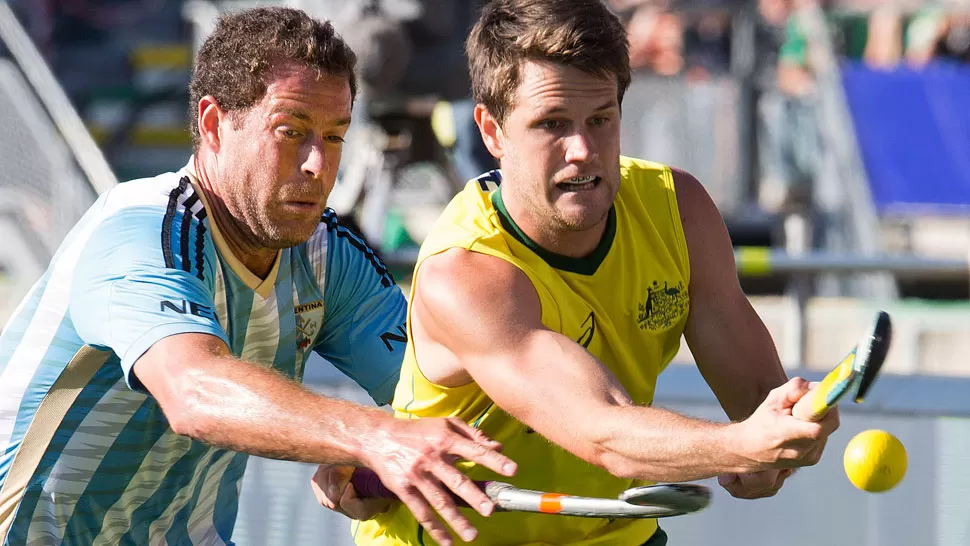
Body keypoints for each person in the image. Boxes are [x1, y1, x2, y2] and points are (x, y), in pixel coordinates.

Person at [315, 0, 840, 545]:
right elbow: (602, 431)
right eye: (552, 124)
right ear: (492, 132)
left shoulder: (679, 211)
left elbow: (758, 399)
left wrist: (786, 430)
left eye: (600, 119)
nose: (583, 150)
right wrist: (740, 446)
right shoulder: (466, 273)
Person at [0, 7, 515, 545]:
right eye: (291, 131)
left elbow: (438, 390)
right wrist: (371, 437)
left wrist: (376, 459)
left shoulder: (326, 254)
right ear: (213, 125)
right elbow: (193, 390)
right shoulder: (140, 230)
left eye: (336, 136)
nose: (318, 163)